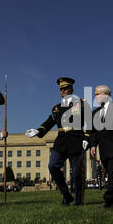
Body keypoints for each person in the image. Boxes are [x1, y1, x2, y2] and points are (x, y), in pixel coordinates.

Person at [25, 77, 91, 205]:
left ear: (71, 89)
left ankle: (79, 202)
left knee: (77, 172)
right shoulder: (56, 108)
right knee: (52, 166)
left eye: (65, 89)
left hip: (76, 139)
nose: (63, 91)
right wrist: (39, 130)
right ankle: (66, 194)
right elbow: (49, 122)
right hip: (61, 141)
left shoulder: (82, 104)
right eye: (61, 89)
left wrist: (87, 137)